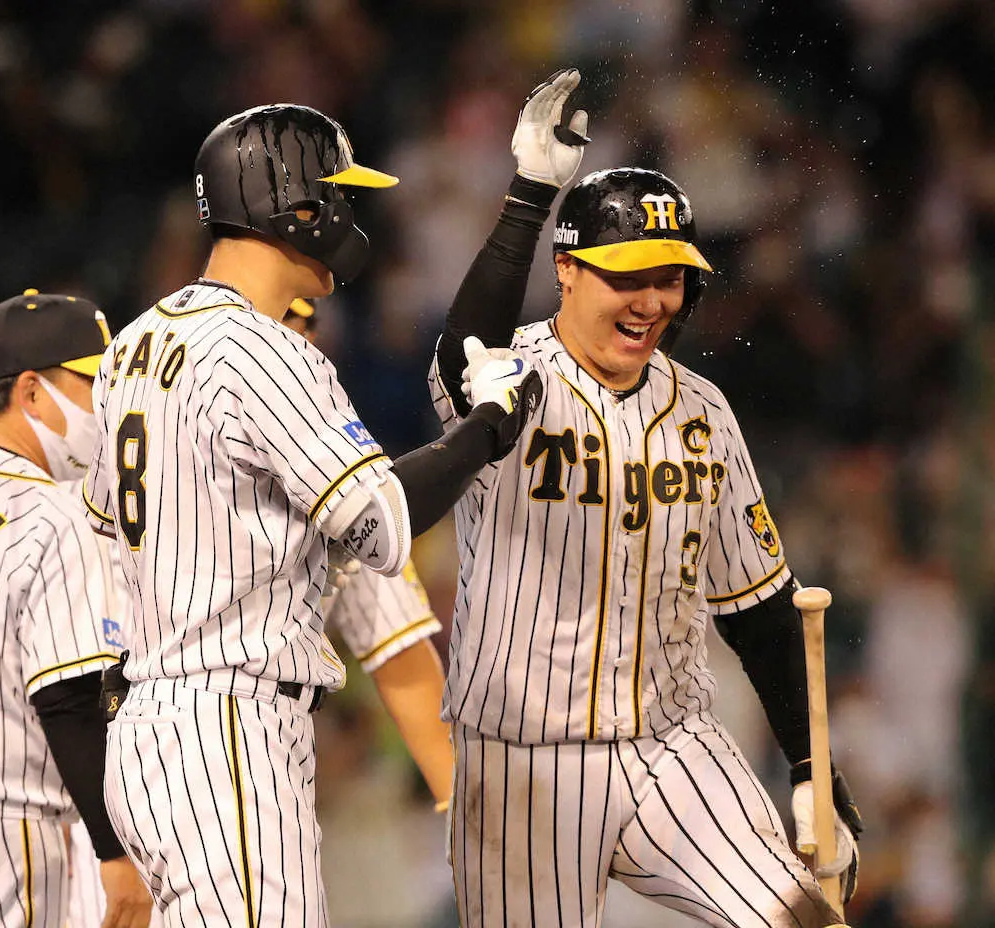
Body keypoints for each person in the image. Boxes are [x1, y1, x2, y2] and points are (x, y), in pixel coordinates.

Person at [81, 103, 539, 926]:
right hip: (229, 724)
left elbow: (103, 527)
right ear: (298, 206)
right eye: (339, 195)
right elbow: (384, 524)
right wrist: (486, 428)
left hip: (147, 727)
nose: (349, 217)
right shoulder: (265, 348)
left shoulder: (134, 345)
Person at [429, 69, 864, 927]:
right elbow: (459, 350)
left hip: (674, 746)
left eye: (669, 276)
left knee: (800, 918)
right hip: (522, 764)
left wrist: (816, 769)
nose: (651, 299)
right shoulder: (508, 372)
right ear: (566, 268)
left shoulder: (702, 408)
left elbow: (761, 607)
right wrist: (528, 195)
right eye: (626, 275)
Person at [0, 289, 153, 928]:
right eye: (93, 383)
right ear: (30, 393)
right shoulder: (58, 515)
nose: (109, 406)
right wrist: (116, 855)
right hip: (23, 830)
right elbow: (73, 696)